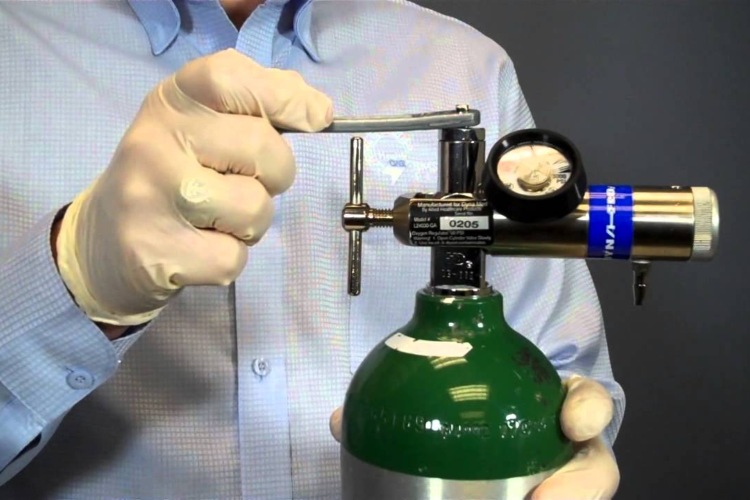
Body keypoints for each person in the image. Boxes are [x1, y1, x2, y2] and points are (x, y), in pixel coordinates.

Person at [0, 0, 624, 498]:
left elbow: (562, 368)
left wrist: (558, 437)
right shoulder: (14, 50)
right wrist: (71, 281)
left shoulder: (462, 64)